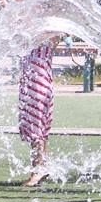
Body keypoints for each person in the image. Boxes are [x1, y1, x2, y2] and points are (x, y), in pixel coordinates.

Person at [18, 34, 63, 187]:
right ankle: (42, 164)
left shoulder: (45, 28)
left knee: (35, 126)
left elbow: (55, 39)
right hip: (36, 78)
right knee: (40, 127)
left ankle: (38, 169)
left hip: (37, 81)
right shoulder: (37, 26)